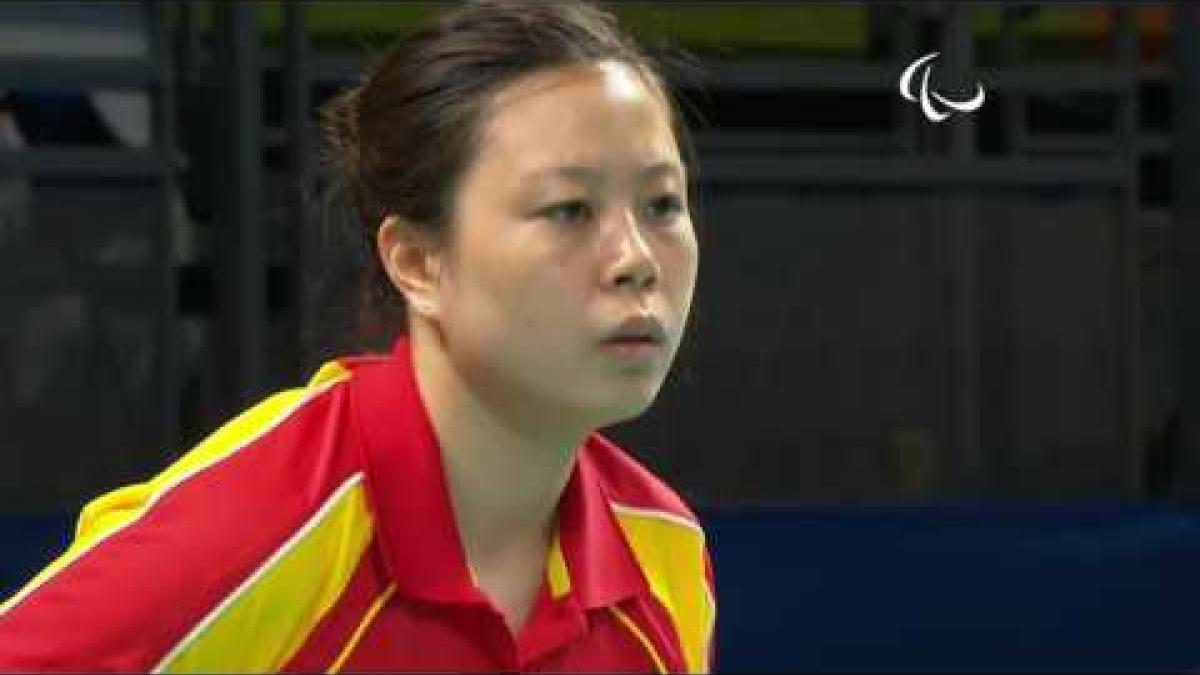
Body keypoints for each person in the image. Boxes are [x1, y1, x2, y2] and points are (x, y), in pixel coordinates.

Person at [0, 0, 714, 671]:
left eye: (661, 203)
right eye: (567, 210)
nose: (636, 259)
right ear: (416, 262)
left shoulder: (665, 554)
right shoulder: (262, 525)